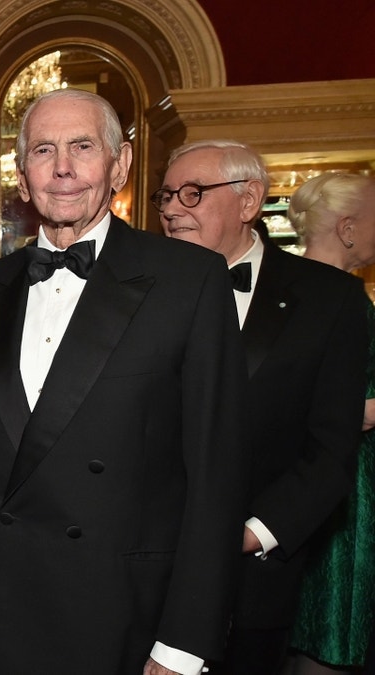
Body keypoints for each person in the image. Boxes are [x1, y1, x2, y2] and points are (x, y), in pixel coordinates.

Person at [0, 89, 249, 674]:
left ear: (120, 166)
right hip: (7, 609)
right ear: (21, 173)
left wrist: (184, 643)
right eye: (43, 150)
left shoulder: (188, 281)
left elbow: (219, 475)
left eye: (82, 147)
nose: (63, 168)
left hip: (129, 616)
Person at [159, 142, 369, 674]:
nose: (170, 209)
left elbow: (331, 451)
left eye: (192, 193)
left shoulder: (331, 299)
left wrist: (249, 534)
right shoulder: (137, 291)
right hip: (140, 572)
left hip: (253, 580)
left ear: (249, 200)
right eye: (166, 195)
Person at [282, 172, 375, 674]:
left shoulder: (291, 289)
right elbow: (332, 409)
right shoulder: (342, 299)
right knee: (328, 619)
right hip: (342, 486)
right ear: (347, 228)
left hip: (307, 481)